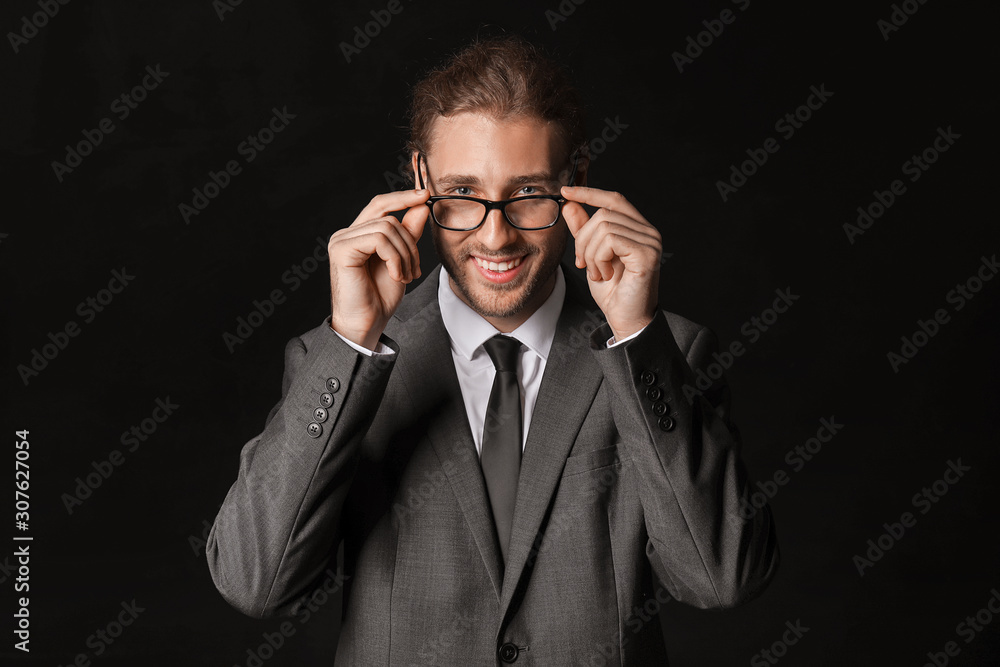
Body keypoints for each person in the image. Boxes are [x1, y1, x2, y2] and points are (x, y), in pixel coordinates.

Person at [207, 35, 778, 665]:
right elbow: (255, 584)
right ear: (421, 180)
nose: (496, 234)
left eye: (529, 192)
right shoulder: (338, 360)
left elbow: (723, 579)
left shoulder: (663, 352)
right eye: (464, 193)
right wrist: (350, 341)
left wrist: (638, 337)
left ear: (577, 181)